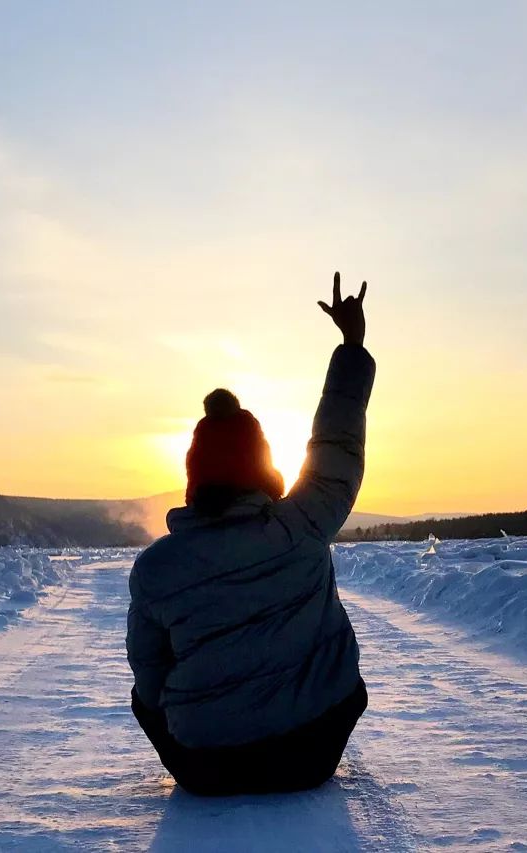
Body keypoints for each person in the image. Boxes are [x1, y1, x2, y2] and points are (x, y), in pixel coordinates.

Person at [127, 272, 375, 796]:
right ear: (262, 468)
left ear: (194, 477)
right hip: (313, 753)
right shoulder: (303, 522)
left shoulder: (156, 569)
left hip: (206, 769)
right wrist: (351, 346)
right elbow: (337, 448)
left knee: (142, 691)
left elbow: (150, 682)